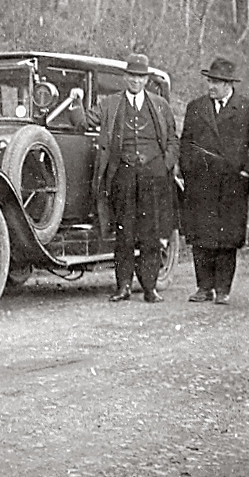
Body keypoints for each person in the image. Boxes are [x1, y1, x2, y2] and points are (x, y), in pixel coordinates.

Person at [68, 53, 179, 303]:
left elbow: (173, 139)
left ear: (146, 79)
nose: (136, 81)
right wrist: (76, 101)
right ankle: (123, 286)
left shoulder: (160, 105)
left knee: (151, 234)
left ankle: (150, 287)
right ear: (125, 77)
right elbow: (83, 122)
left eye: (140, 77)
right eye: (132, 76)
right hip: (123, 176)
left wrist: (164, 165)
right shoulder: (110, 104)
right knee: (124, 233)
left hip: (152, 176)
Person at [180, 56, 249, 305]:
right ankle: (203, 287)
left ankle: (223, 290)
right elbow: (186, 143)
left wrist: (247, 173)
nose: (211, 86)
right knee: (201, 236)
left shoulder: (248, 108)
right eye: (210, 81)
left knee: (227, 239)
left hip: (232, 184)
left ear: (228, 84)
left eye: (216, 82)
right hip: (201, 183)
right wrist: (188, 172)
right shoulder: (196, 107)